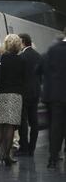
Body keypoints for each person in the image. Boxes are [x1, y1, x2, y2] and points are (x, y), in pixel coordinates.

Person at [0, 34, 26, 166]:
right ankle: (6, 156)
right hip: (14, 95)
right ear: (18, 45)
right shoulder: (22, 60)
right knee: (10, 126)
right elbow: (24, 79)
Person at [17, 34, 42, 157]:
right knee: (34, 121)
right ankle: (32, 148)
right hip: (36, 92)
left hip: (24, 93)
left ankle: (24, 148)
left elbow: (19, 76)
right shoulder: (38, 56)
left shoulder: (22, 57)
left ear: (23, 42)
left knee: (23, 121)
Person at [44, 30, 66, 168]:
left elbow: (46, 70)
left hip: (56, 95)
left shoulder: (53, 49)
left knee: (56, 126)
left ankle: (53, 157)